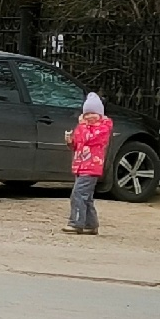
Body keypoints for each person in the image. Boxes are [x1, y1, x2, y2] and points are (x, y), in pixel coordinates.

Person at [64, 91, 111, 235]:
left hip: (91, 167)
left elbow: (89, 139)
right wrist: (70, 141)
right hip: (81, 166)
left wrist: (82, 126)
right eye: (87, 114)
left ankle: (76, 223)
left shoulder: (102, 128)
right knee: (86, 197)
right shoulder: (83, 127)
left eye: (93, 113)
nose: (89, 116)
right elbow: (78, 144)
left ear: (100, 114)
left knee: (78, 194)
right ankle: (91, 224)